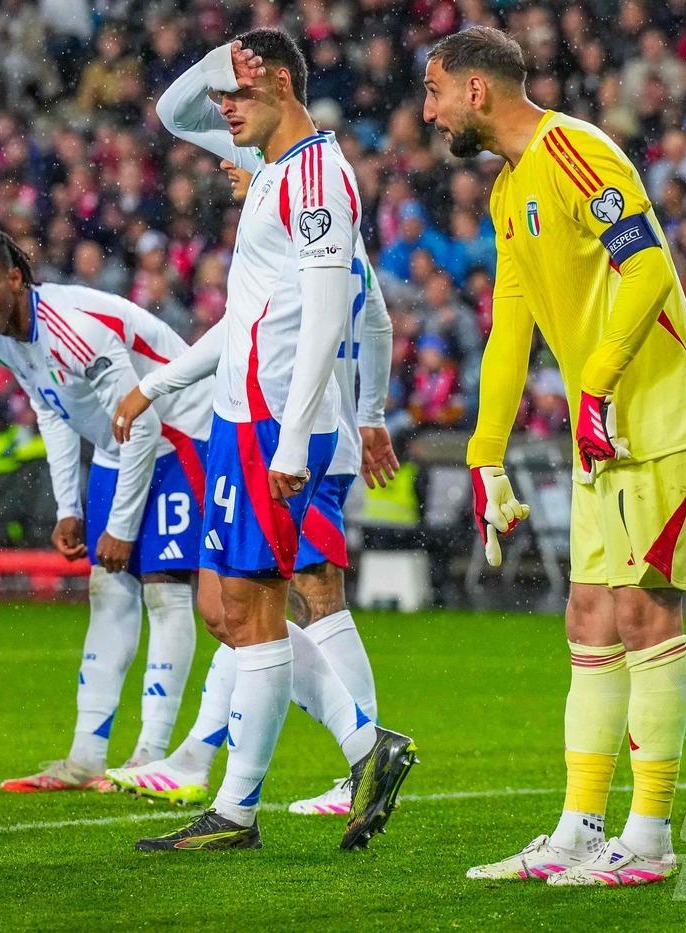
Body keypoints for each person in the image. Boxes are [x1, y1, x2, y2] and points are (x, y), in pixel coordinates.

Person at [422, 26, 686, 887]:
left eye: (436, 92)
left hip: (659, 417)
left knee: (643, 616)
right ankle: (576, 829)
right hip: (604, 429)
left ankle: (649, 837)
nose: (429, 111)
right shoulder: (509, 189)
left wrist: (594, 384)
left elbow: (648, 269)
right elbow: (509, 333)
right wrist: (487, 458)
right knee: (589, 622)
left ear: (477, 91)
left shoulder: (575, 149)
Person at [109, 31, 416, 852]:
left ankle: (249, 804)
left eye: (237, 96)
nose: (223, 114)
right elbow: (174, 111)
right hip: (240, 422)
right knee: (224, 608)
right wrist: (223, 59)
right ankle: (363, 746)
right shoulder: (273, 168)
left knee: (258, 605)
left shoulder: (317, 176)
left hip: (278, 426)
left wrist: (291, 442)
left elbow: (330, 315)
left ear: (280, 85)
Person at [0, 226, 212, 792]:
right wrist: (68, 506)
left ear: (16, 280)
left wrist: (118, 525)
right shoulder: (3, 340)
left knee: (165, 588)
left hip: (185, 432)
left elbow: (145, 423)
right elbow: (54, 410)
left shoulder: (74, 329)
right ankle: (86, 759)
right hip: (124, 442)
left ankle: (149, 757)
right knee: (107, 587)